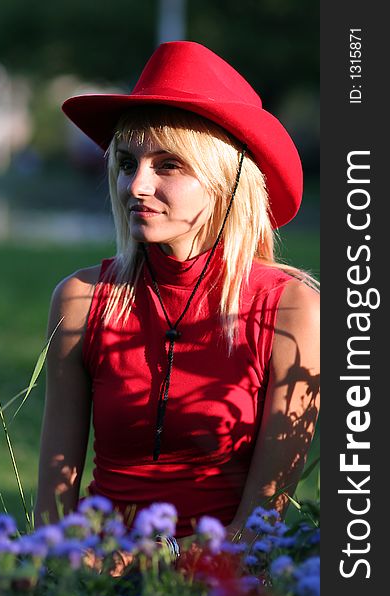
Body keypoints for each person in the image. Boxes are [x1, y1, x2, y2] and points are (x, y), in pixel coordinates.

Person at [35, 41, 320, 551]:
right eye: (127, 162)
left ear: (226, 181)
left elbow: (259, 527)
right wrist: (78, 566)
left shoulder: (290, 308)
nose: (136, 184)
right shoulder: (81, 299)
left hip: (221, 575)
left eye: (168, 165)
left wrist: (159, 567)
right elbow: (52, 512)